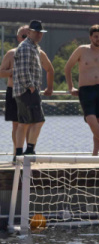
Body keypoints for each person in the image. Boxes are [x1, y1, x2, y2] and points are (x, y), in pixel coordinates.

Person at [64, 25, 99, 156]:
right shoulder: (81, 50)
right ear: (90, 37)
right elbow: (67, 68)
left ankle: (95, 155)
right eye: (96, 36)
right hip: (86, 90)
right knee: (91, 121)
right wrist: (70, 86)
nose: (98, 39)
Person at [2, 27, 51, 158]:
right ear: (19, 38)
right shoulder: (11, 53)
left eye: (26, 36)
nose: (25, 39)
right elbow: (1, 72)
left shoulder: (38, 51)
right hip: (14, 90)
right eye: (23, 36)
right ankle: (17, 153)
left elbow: (50, 69)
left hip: (28, 90)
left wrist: (49, 88)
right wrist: (14, 72)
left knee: (29, 123)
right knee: (17, 124)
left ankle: (27, 152)